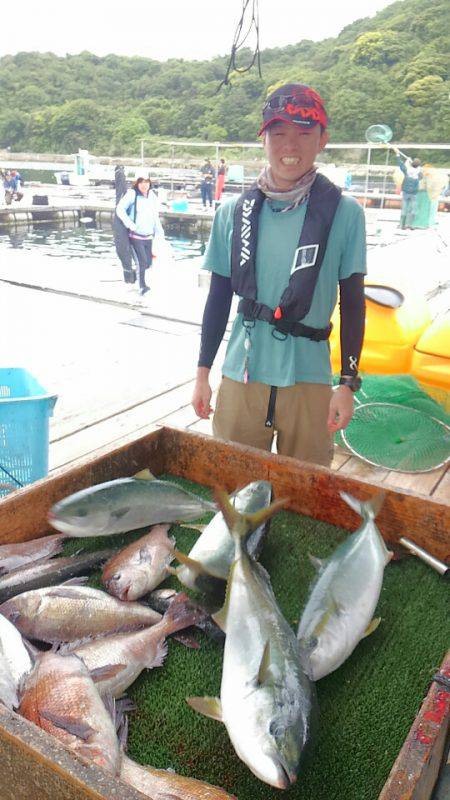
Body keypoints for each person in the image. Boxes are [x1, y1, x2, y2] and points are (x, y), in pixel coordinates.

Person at [192, 83, 366, 468]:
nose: (291, 145)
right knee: (233, 483)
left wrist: (347, 385)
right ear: (264, 139)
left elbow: (353, 303)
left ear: (323, 140)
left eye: (305, 133)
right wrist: (203, 373)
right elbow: (218, 300)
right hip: (243, 371)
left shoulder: (345, 213)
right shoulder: (232, 213)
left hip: (310, 377)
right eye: (279, 133)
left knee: (307, 492)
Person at [115, 175, 164, 296]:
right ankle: (142, 286)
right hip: (135, 236)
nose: (144, 185)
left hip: (148, 236)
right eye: (141, 182)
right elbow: (120, 209)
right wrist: (130, 224)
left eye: (146, 182)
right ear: (137, 183)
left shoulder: (152, 196)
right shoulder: (132, 194)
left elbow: (155, 215)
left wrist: (159, 231)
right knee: (141, 261)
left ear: (150, 183)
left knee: (148, 263)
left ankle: (136, 278)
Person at [391, 147, 422, 229]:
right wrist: (418, 167)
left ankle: (402, 225)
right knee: (413, 210)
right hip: (414, 194)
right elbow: (421, 177)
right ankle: (410, 225)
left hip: (405, 193)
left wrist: (398, 154)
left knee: (404, 209)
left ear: (412, 164)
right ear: (418, 165)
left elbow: (400, 164)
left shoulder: (407, 170)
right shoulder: (419, 172)